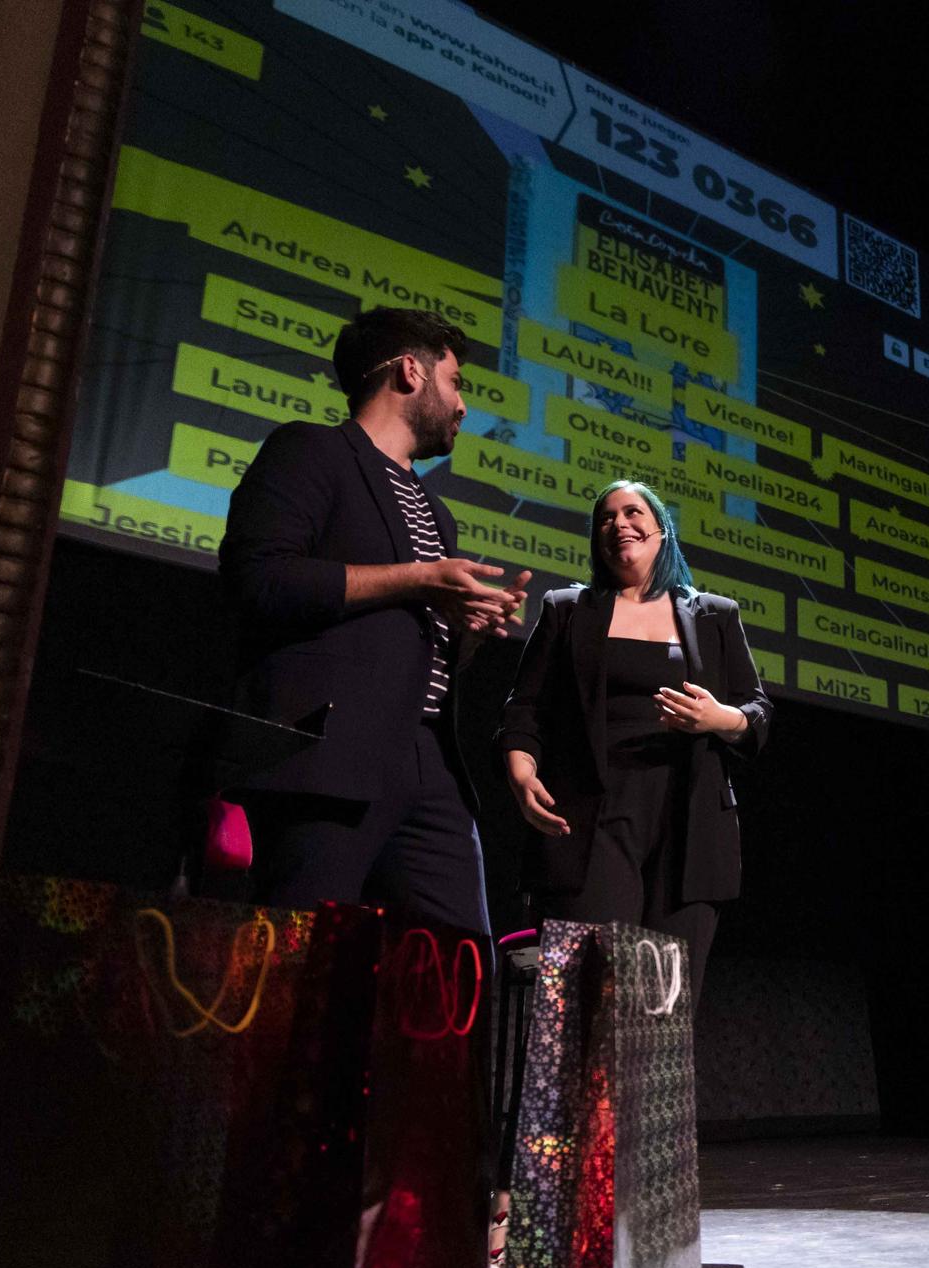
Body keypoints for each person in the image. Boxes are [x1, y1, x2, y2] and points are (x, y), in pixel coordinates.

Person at [217, 305, 529, 935]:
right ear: (410, 372)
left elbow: (423, 646)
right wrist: (418, 578)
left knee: (458, 968)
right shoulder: (310, 451)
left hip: (429, 758)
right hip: (332, 752)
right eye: (456, 381)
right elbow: (259, 578)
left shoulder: (437, 514)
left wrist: (467, 631)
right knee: (295, 958)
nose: (464, 405)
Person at [497, 479, 772, 1009]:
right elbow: (524, 706)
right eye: (606, 518)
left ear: (661, 530)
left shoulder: (715, 615)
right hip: (591, 817)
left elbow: (757, 712)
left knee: (660, 1015)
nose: (619, 523)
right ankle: (578, 1097)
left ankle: (641, 1098)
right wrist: (521, 768)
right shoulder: (567, 610)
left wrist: (721, 717)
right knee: (586, 1002)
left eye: (632, 512)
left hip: (688, 825)